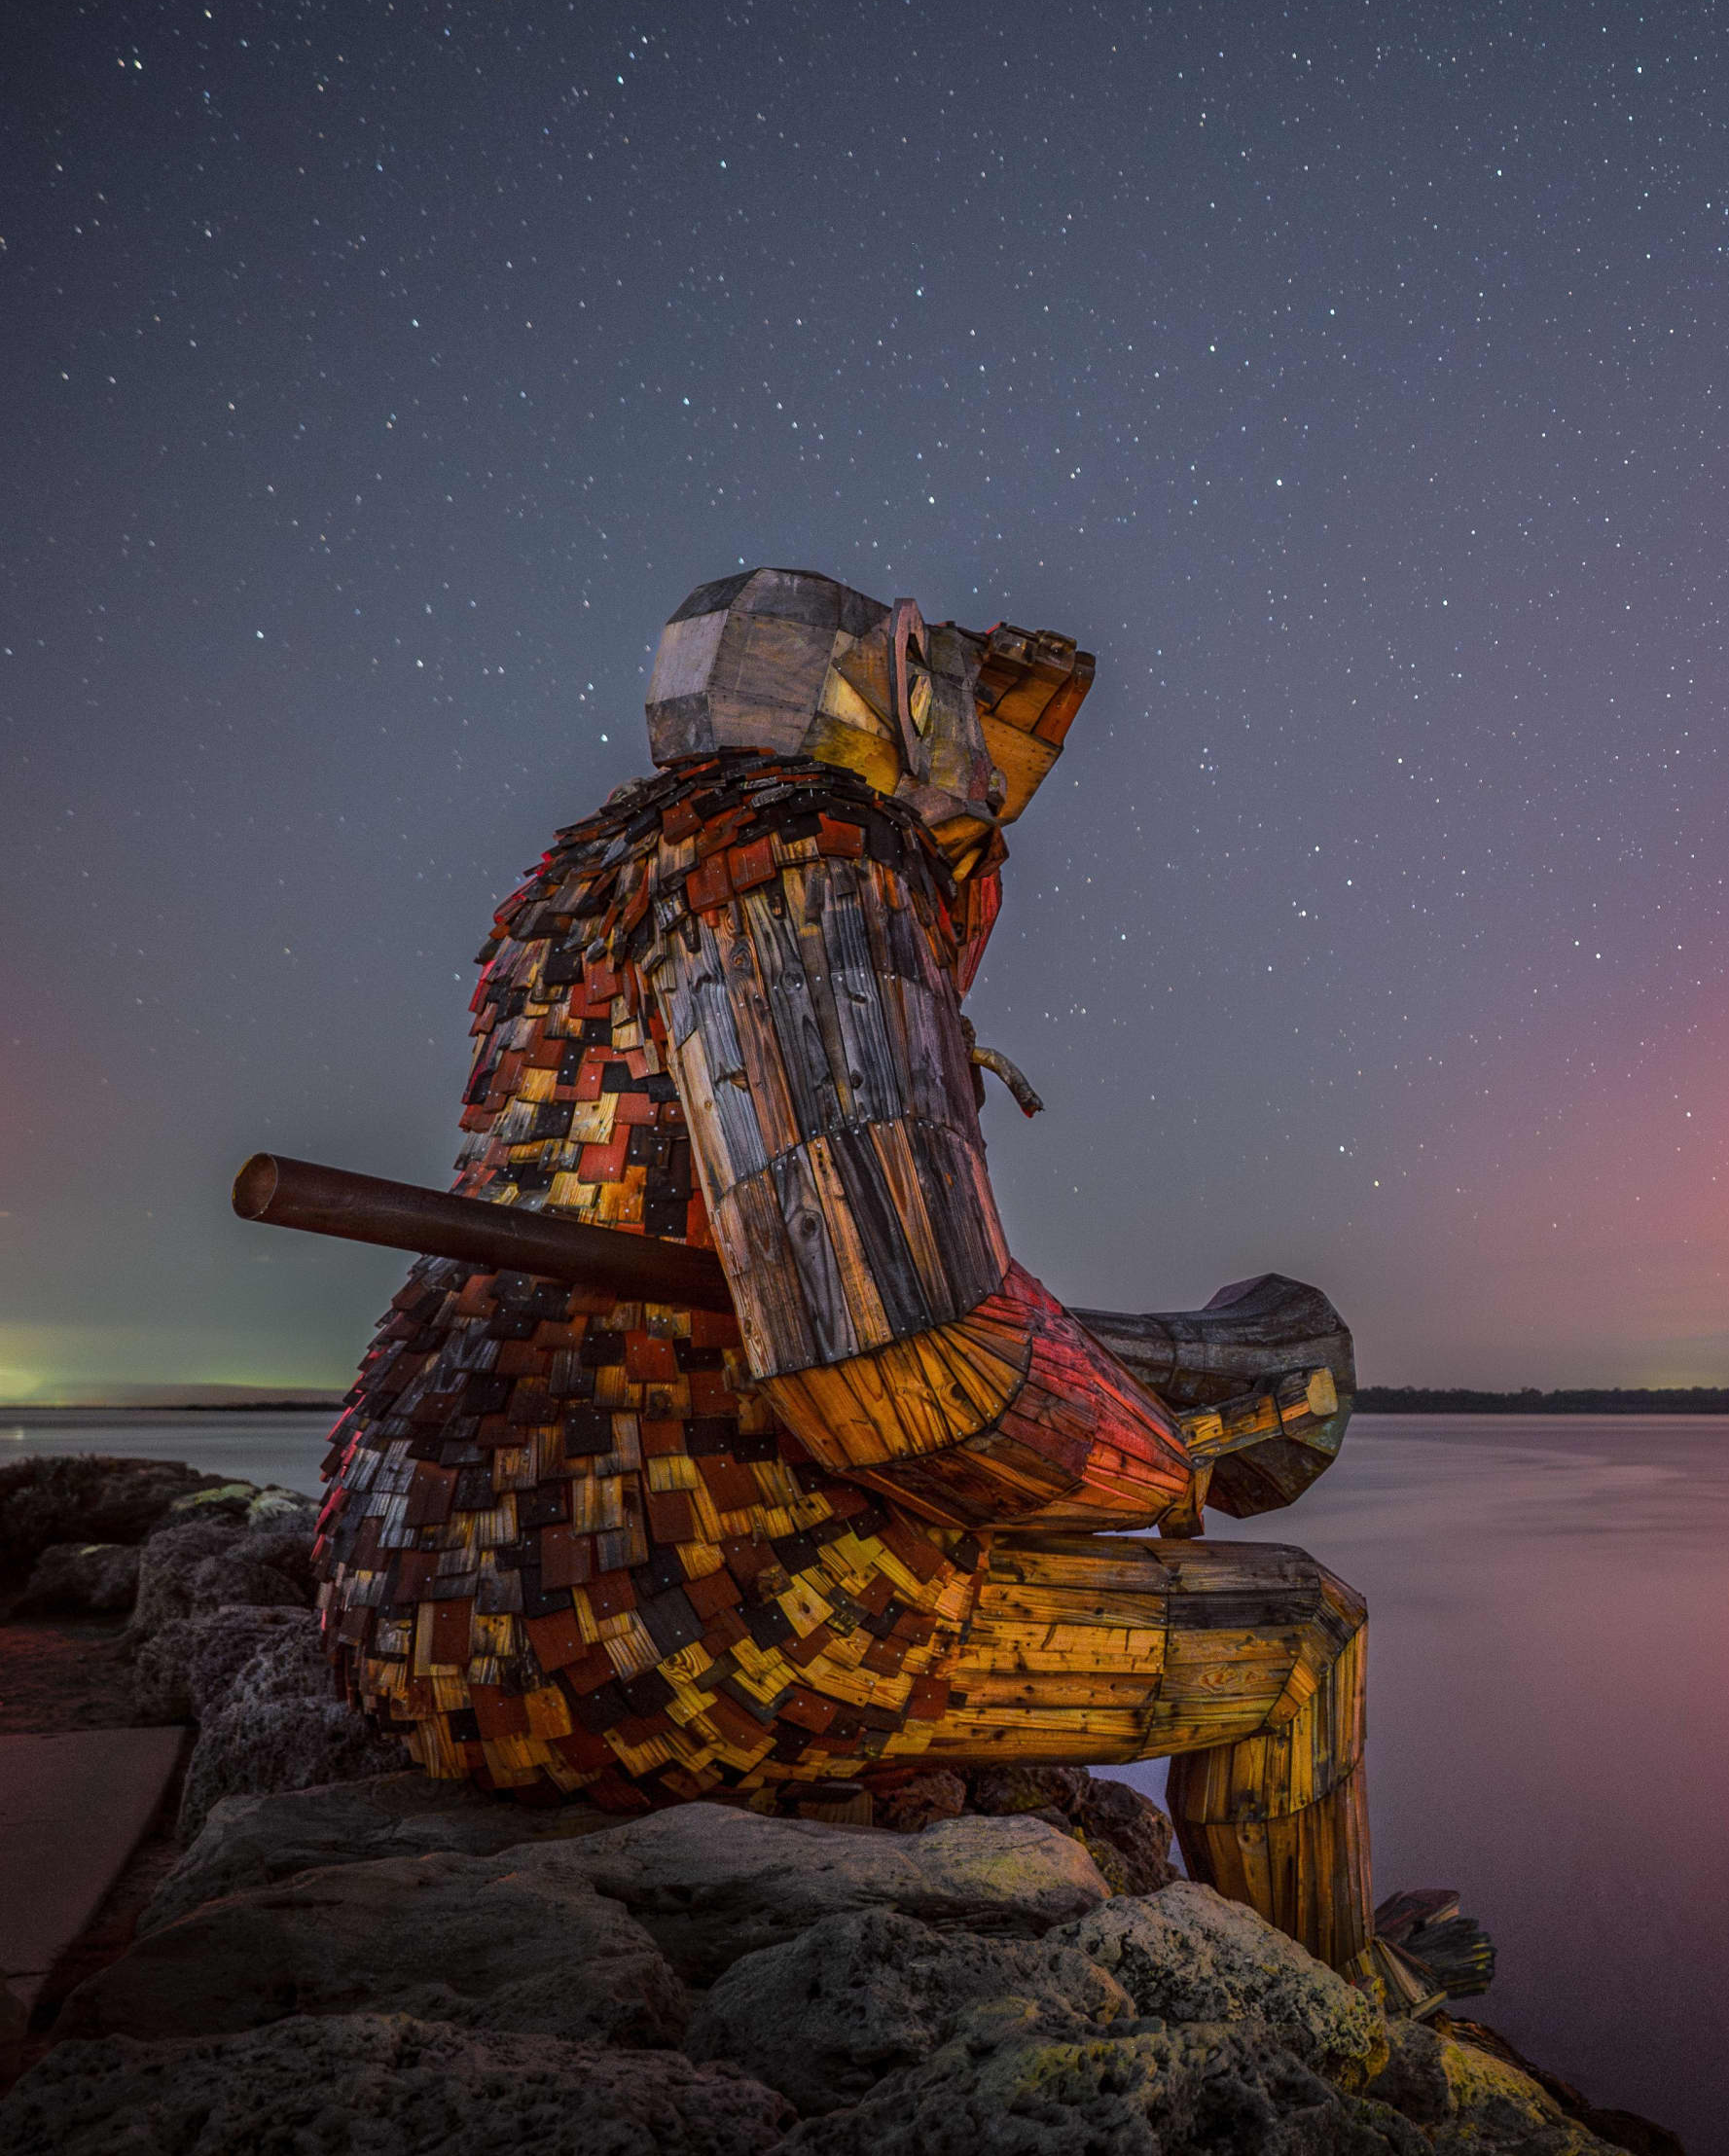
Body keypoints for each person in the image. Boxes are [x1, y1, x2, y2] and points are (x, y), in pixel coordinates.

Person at [308, 567, 1378, 1964]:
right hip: (665, 1607)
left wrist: (981, 793)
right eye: (936, 711)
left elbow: (842, 1179)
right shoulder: (814, 855)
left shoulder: (594, 877)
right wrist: (1159, 1472)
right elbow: (903, 1364)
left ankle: (1274, 1376)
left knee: (1237, 1368)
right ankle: (1329, 2002)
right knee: (1298, 1634)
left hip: (420, 1578)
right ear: (878, 705)